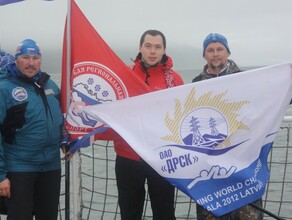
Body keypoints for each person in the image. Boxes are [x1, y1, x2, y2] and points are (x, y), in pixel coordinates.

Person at [114, 30, 184, 220]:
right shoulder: (123, 75)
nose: (152, 51)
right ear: (140, 47)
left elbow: (183, 116)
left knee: (164, 213)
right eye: (148, 46)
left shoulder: (175, 79)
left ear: (164, 50)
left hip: (162, 157)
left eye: (157, 47)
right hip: (128, 156)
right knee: (130, 213)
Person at [192, 33, 263, 220]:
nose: (215, 54)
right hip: (209, 168)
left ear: (228, 52)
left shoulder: (247, 79)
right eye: (210, 50)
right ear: (204, 55)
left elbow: (273, 98)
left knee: (247, 215)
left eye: (220, 49)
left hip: (243, 163)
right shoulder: (195, 85)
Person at [0, 39, 64, 220]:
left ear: (40, 60)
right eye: (25, 57)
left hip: (51, 165)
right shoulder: (4, 88)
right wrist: (0, 175)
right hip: (19, 166)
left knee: (48, 216)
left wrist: (66, 140)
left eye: (35, 57)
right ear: (16, 59)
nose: (31, 63)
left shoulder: (50, 85)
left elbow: (62, 118)